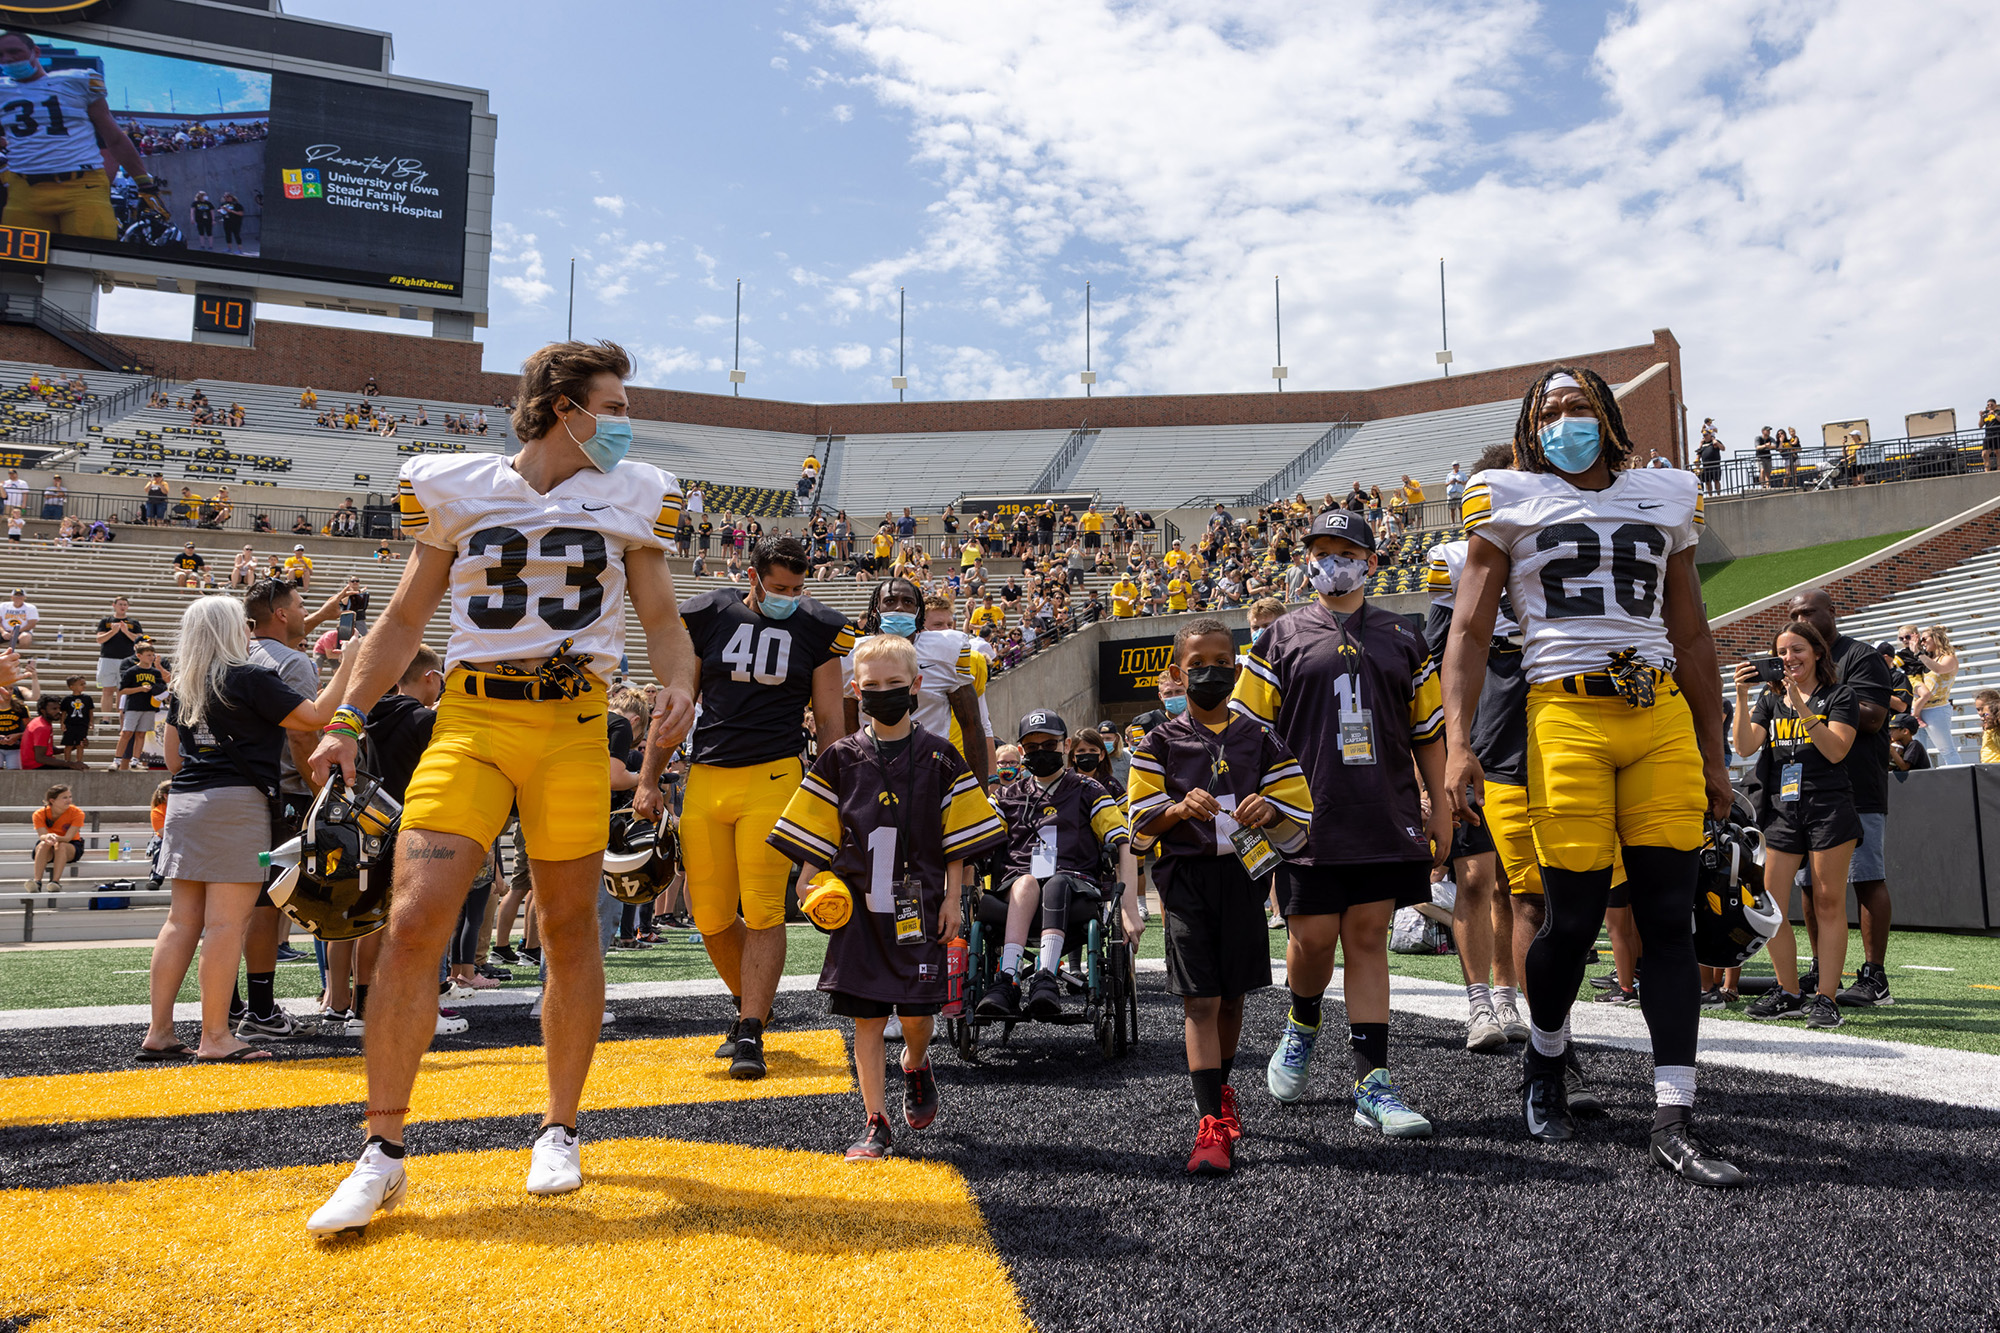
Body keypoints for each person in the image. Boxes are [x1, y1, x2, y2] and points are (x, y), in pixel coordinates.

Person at [303, 339, 698, 1236]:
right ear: (567, 406)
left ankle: (559, 1124)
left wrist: (679, 684)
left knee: (565, 925)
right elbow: (405, 618)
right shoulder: (457, 485)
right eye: (615, 400)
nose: (626, 419)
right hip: (474, 718)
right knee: (412, 920)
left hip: (573, 719)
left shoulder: (634, 496)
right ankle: (383, 1150)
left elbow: (664, 621)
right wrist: (347, 716)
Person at [1444, 367, 1739, 1185]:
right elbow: (1467, 631)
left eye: (1577, 406)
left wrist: (1715, 752)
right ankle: (1544, 1059)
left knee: (1668, 919)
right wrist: (1457, 743)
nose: (1563, 421)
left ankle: (1675, 1112)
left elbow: (1693, 632)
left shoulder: (1668, 493)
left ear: (1608, 416)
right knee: (1570, 919)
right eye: (1548, 410)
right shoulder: (1505, 494)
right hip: (1564, 715)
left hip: (1658, 716)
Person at [1233, 508, 1447, 1137]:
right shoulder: (1280, 637)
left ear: (1371, 562)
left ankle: (1371, 1082)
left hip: (1384, 812)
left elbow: (1428, 732)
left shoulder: (1405, 636)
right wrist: (1260, 809)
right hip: (1307, 816)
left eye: (1345, 549)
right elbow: (1248, 734)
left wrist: (1439, 807)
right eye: (1321, 550)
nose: (1331, 561)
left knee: (1367, 936)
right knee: (1312, 941)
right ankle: (1301, 1023)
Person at [768, 632, 1007, 1160]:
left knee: (920, 1017)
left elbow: (958, 836)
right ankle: (874, 1121)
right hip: (859, 909)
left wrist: (952, 898)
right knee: (868, 1020)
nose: (883, 692)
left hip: (918, 905)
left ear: (916, 686)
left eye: (894, 684)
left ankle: (917, 1063)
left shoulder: (941, 756)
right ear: (856, 689)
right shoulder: (839, 757)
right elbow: (819, 825)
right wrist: (809, 876)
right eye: (871, 685)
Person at [643, 535, 851, 1078]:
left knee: (761, 907)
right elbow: (677, 704)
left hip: (775, 776)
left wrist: (835, 792)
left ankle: (751, 1027)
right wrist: (648, 779)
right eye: (779, 586)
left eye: (798, 587)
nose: (789, 596)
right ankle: (752, 1004)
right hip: (707, 776)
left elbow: (830, 722)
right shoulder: (709, 614)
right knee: (709, 913)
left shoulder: (818, 627)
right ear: (753, 576)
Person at [1129, 618, 1312, 1175]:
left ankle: (1221, 1092)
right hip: (1184, 882)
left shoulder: (1260, 737)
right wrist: (1178, 810)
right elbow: (1137, 820)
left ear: (1235, 668)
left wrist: (1271, 809)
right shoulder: (1157, 740)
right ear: (1178, 673)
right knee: (1200, 1000)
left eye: (1220, 661)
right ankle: (1209, 1122)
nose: (1210, 671)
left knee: (1232, 996)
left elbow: (1299, 807)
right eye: (1198, 663)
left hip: (1243, 878)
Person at [141, 597, 356, 1064]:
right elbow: (317, 717)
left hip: (184, 803)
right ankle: (215, 1036)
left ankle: (159, 1031)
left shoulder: (185, 684)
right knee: (225, 924)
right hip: (235, 804)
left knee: (181, 921)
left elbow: (174, 761)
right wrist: (352, 664)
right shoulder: (249, 676)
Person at [1733, 621, 1859, 1029]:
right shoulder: (1770, 702)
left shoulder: (1840, 695)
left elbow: (1837, 750)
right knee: (1769, 905)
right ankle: (1788, 991)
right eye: (1783, 652)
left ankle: (1826, 997)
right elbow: (1745, 746)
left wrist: (1802, 707)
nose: (1789, 658)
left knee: (1827, 903)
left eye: (1798, 650)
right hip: (1782, 809)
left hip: (1828, 807)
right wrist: (1741, 695)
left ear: (1818, 652)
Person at [977, 710, 1131, 1020]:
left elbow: (1122, 841)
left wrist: (1126, 907)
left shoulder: (1091, 791)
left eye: (1049, 745)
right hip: (1020, 886)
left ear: (1066, 745)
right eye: (1032, 748)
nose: (1041, 752)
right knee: (1026, 881)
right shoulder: (1006, 797)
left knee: (1058, 881)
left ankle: (1046, 976)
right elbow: (978, 843)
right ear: (1021, 751)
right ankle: (1008, 980)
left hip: (1076, 886)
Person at [1785, 591, 1896, 1008]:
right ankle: (1820, 967)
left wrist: (1826, 699)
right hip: (1808, 790)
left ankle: (1875, 976)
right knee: (1810, 886)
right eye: (1794, 614)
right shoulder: (1796, 666)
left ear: (1831, 613)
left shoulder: (1860, 656)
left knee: (1866, 878)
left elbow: (1872, 716)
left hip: (1857, 786)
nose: (1802, 618)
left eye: (1808, 612)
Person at [0, 31, 160, 240]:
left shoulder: (77, 81)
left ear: (35, 51)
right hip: (24, 190)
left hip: (81, 187)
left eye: (14, 51)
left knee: (89, 264)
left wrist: (142, 180)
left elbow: (113, 137)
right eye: (0, 55)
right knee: (21, 268)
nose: (7, 59)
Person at [1905, 623, 1961, 765]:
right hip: (1919, 708)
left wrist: (1919, 653)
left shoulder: (1949, 658)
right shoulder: (1928, 657)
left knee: (1947, 750)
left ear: (1935, 638)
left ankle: (1961, 783)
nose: (1922, 643)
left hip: (1937, 709)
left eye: (1924, 639)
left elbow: (1938, 669)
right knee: (1920, 752)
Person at [115, 641, 169, 771]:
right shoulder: (131, 671)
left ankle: (135, 760)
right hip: (133, 706)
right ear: (139, 656)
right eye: (148, 655)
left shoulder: (155, 672)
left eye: (152, 655)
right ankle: (117, 760)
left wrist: (159, 691)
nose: (151, 657)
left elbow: (162, 687)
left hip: (149, 707)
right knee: (126, 733)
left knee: (141, 734)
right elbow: (122, 690)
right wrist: (140, 689)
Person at [94, 597, 143, 716]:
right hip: (107, 658)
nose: (123, 607)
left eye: (125, 604)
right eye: (120, 604)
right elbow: (99, 639)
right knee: (107, 690)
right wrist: (113, 632)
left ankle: (121, 716)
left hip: (127, 660)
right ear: (114, 605)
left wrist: (126, 632)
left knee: (123, 690)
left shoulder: (134, 623)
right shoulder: (106, 621)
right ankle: (106, 718)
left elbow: (140, 641)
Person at [22, 695, 80, 770]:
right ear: (43, 711)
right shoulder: (41, 727)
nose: (58, 711)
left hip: (37, 764)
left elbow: (47, 750)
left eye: (59, 708)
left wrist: (73, 747)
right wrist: (70, 764)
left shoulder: (42, 722)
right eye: (54, 709)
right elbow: (40, 758)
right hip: (35, 766)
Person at [58, 675, 92, 765]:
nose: (84, 686)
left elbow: (90, 710)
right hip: (70, 724)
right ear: (72, 687)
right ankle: (67, 761)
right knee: (68, 744)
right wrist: (62, 723)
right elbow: (64, 712)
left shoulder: (87, 698)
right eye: (81, 684)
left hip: (82, 724)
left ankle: (79, 761)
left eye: (84, 684)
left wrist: (91, 721)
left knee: (80, 744)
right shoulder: (67, 699)